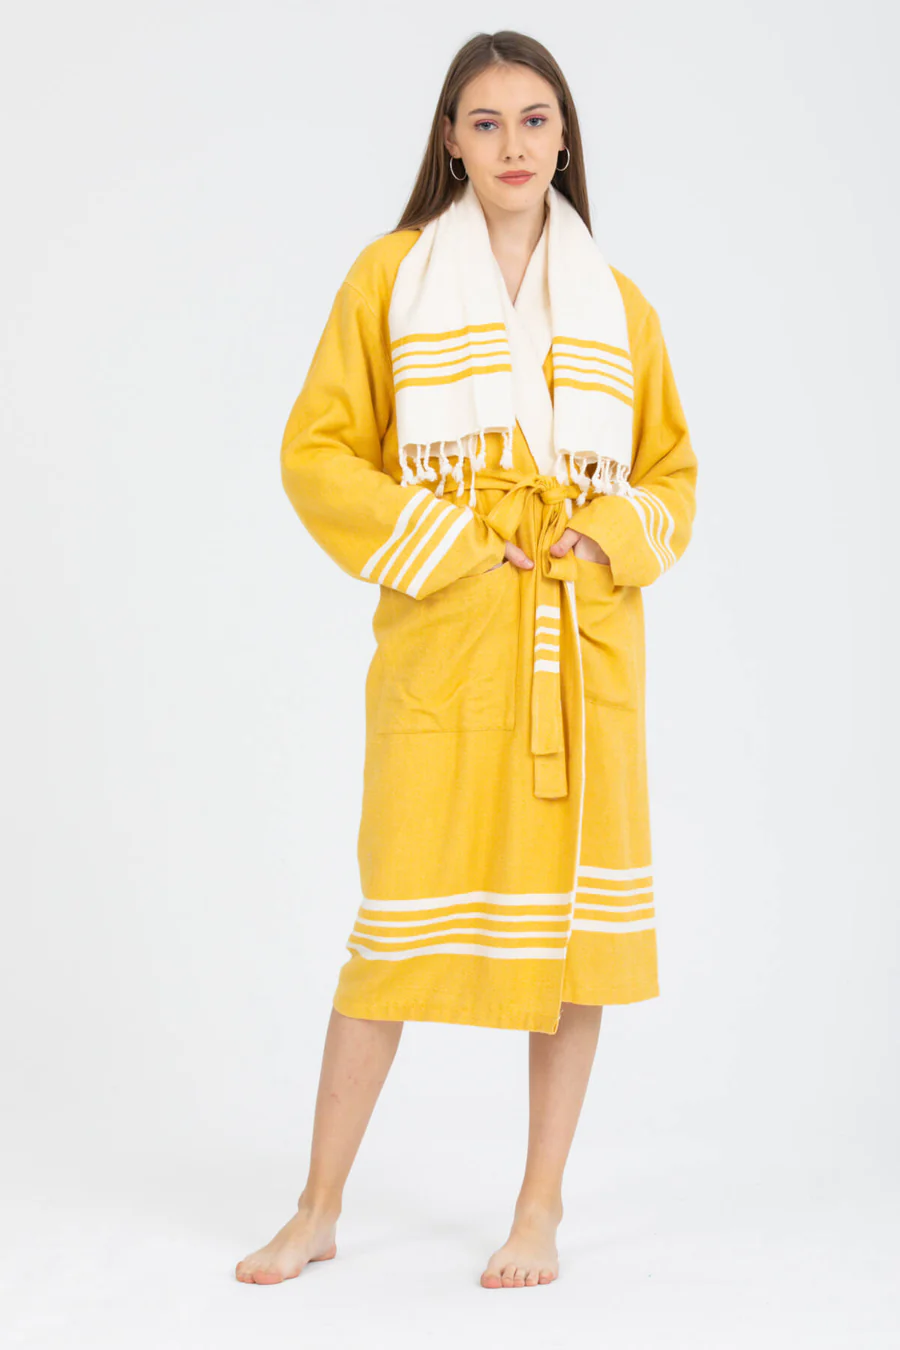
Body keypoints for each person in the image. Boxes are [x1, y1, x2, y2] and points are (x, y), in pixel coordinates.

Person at [236, 29, 698, 1290]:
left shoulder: (620, 305)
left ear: (565, 135)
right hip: (449, 642)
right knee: (391, 930)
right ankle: (317, 1205)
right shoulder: (391, 277)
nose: (512, 145)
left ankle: (539, 1208)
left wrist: (603, 540)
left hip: (578, 648)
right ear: (449, 138)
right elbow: (317, 452)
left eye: (535, 119)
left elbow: (671, 475)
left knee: (575, 942)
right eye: (485, 122)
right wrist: (446, 543)